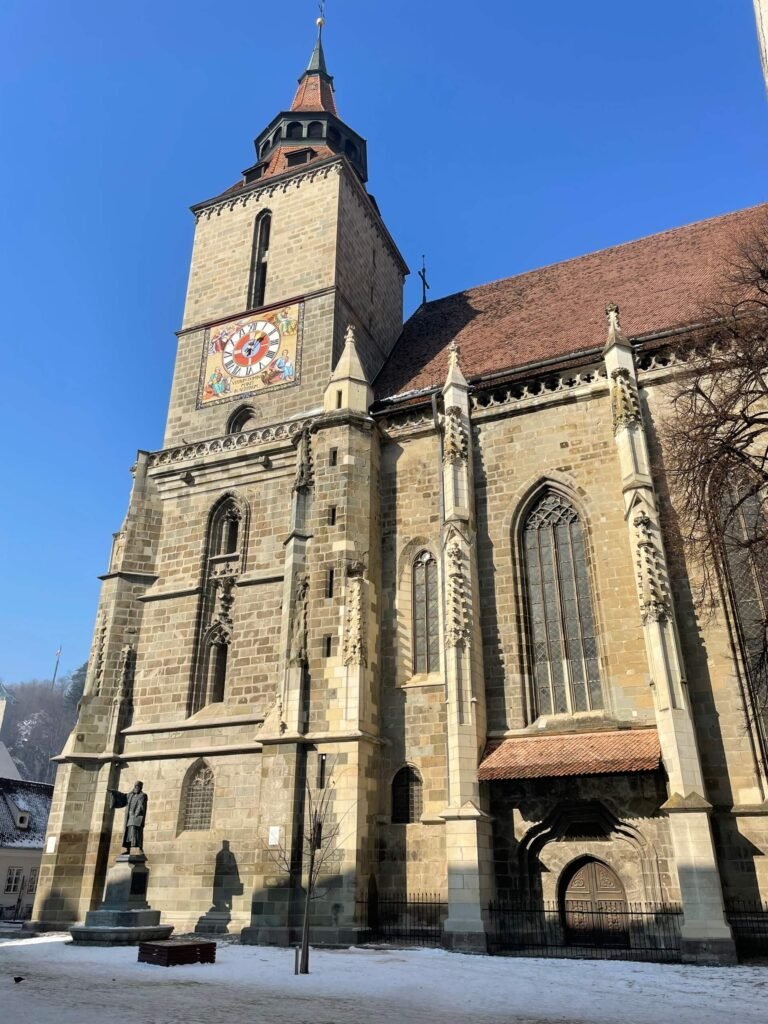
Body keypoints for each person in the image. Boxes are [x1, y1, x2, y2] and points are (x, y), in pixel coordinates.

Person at [109, 781, 148, 854]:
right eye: (135, 786)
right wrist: (114, 793)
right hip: (129, 817)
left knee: (136, 832)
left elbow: (141, 806)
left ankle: (139, 849)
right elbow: (123, 797)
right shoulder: (130, 795)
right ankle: (128, 849)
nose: (136, 788)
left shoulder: (143, 795)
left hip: (136, 817)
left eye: (138, 786)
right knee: (127, 833)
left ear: (141, 787)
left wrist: (136, 815)